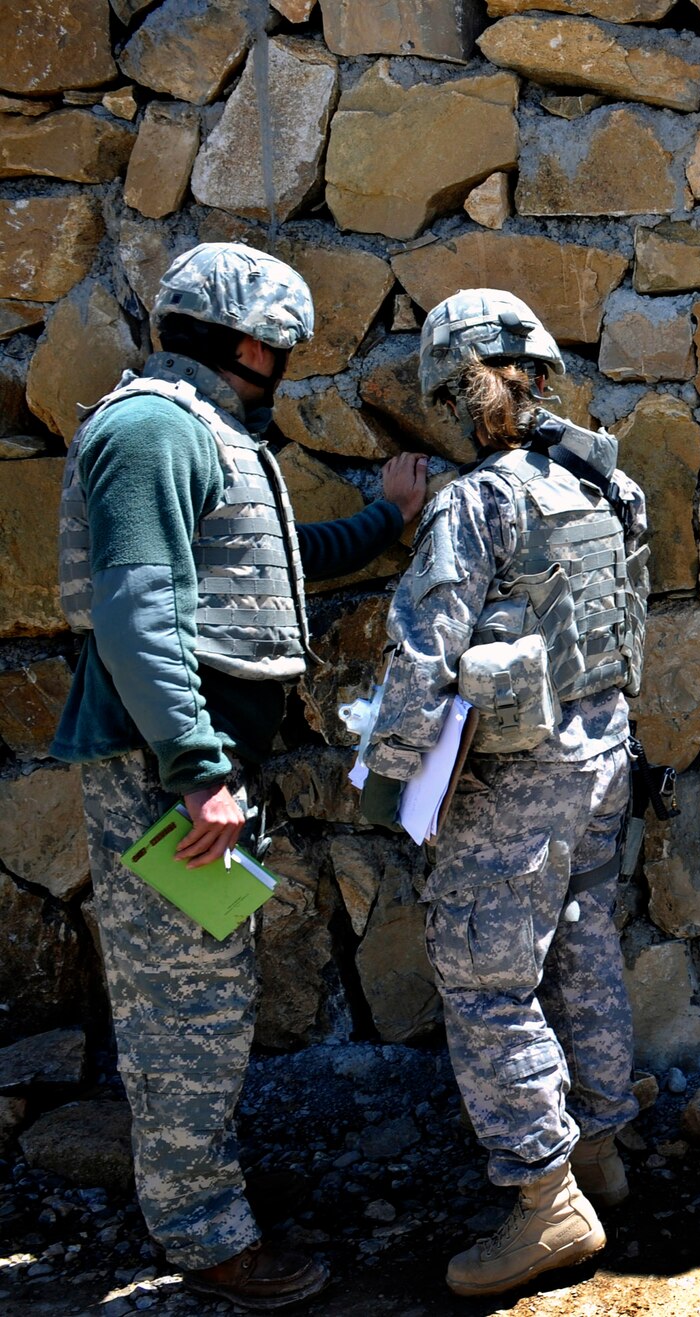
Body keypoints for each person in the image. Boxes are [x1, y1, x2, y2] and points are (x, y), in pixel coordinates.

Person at [51, 241, 428, 1311]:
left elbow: (264, 561)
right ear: (245, 337)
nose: (284, 363)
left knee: (209, 996)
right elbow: (136, 611)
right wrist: (197, 768)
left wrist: (385, 522)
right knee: (186, 1016)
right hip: (164, 776)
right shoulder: (153, 429)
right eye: (279, 343)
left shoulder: (198, 431)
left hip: (191, 772)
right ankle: (204, 1235)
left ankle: (203, 1208)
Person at [355, 289, 649, 1298]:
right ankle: (603, 1151)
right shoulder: (606, 486)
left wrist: (388, 773)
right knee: (582, 943)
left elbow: (422, 652)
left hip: (514, 780)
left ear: (461, 390)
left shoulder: (478, 501)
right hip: (602, 756)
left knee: (485, 981)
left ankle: (546, 1203)